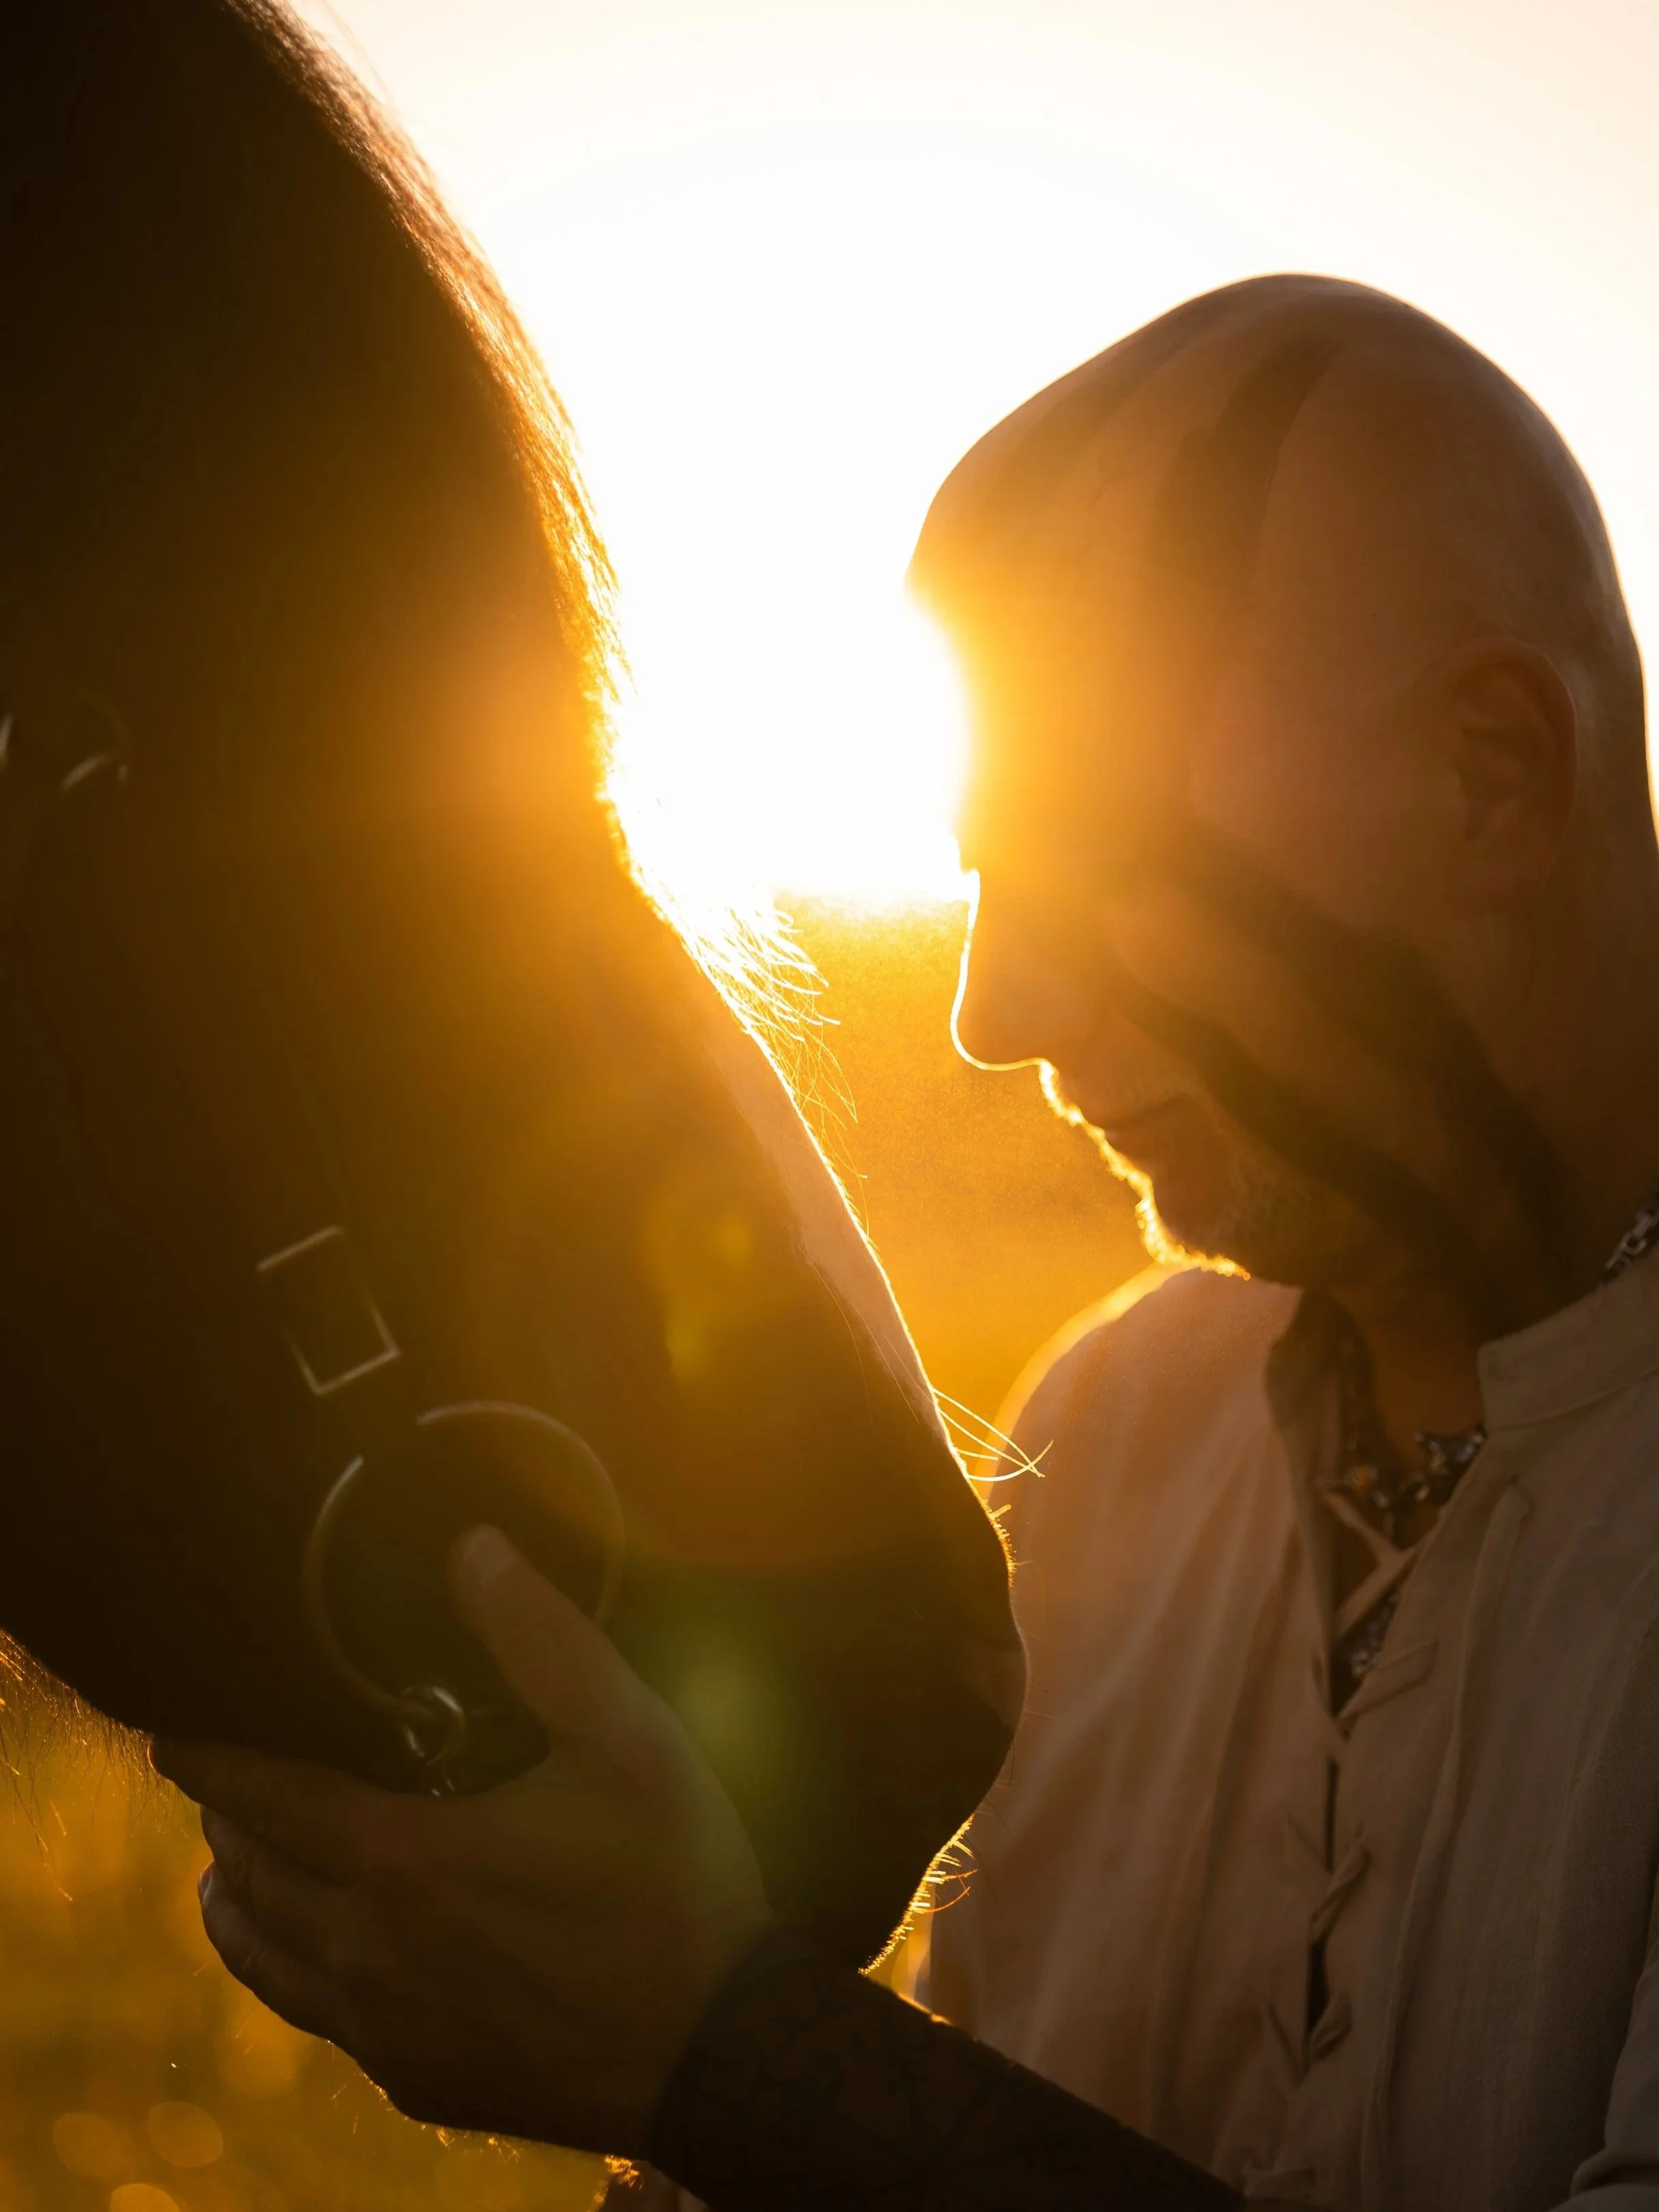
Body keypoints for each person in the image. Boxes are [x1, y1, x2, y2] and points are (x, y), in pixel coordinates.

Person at [161, 272, 1659, 2211]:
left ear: (1492, 776)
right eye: (980, 880)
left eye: (1092, 861)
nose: (990, 1010)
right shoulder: (1107, 1433)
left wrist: (716, 2054)